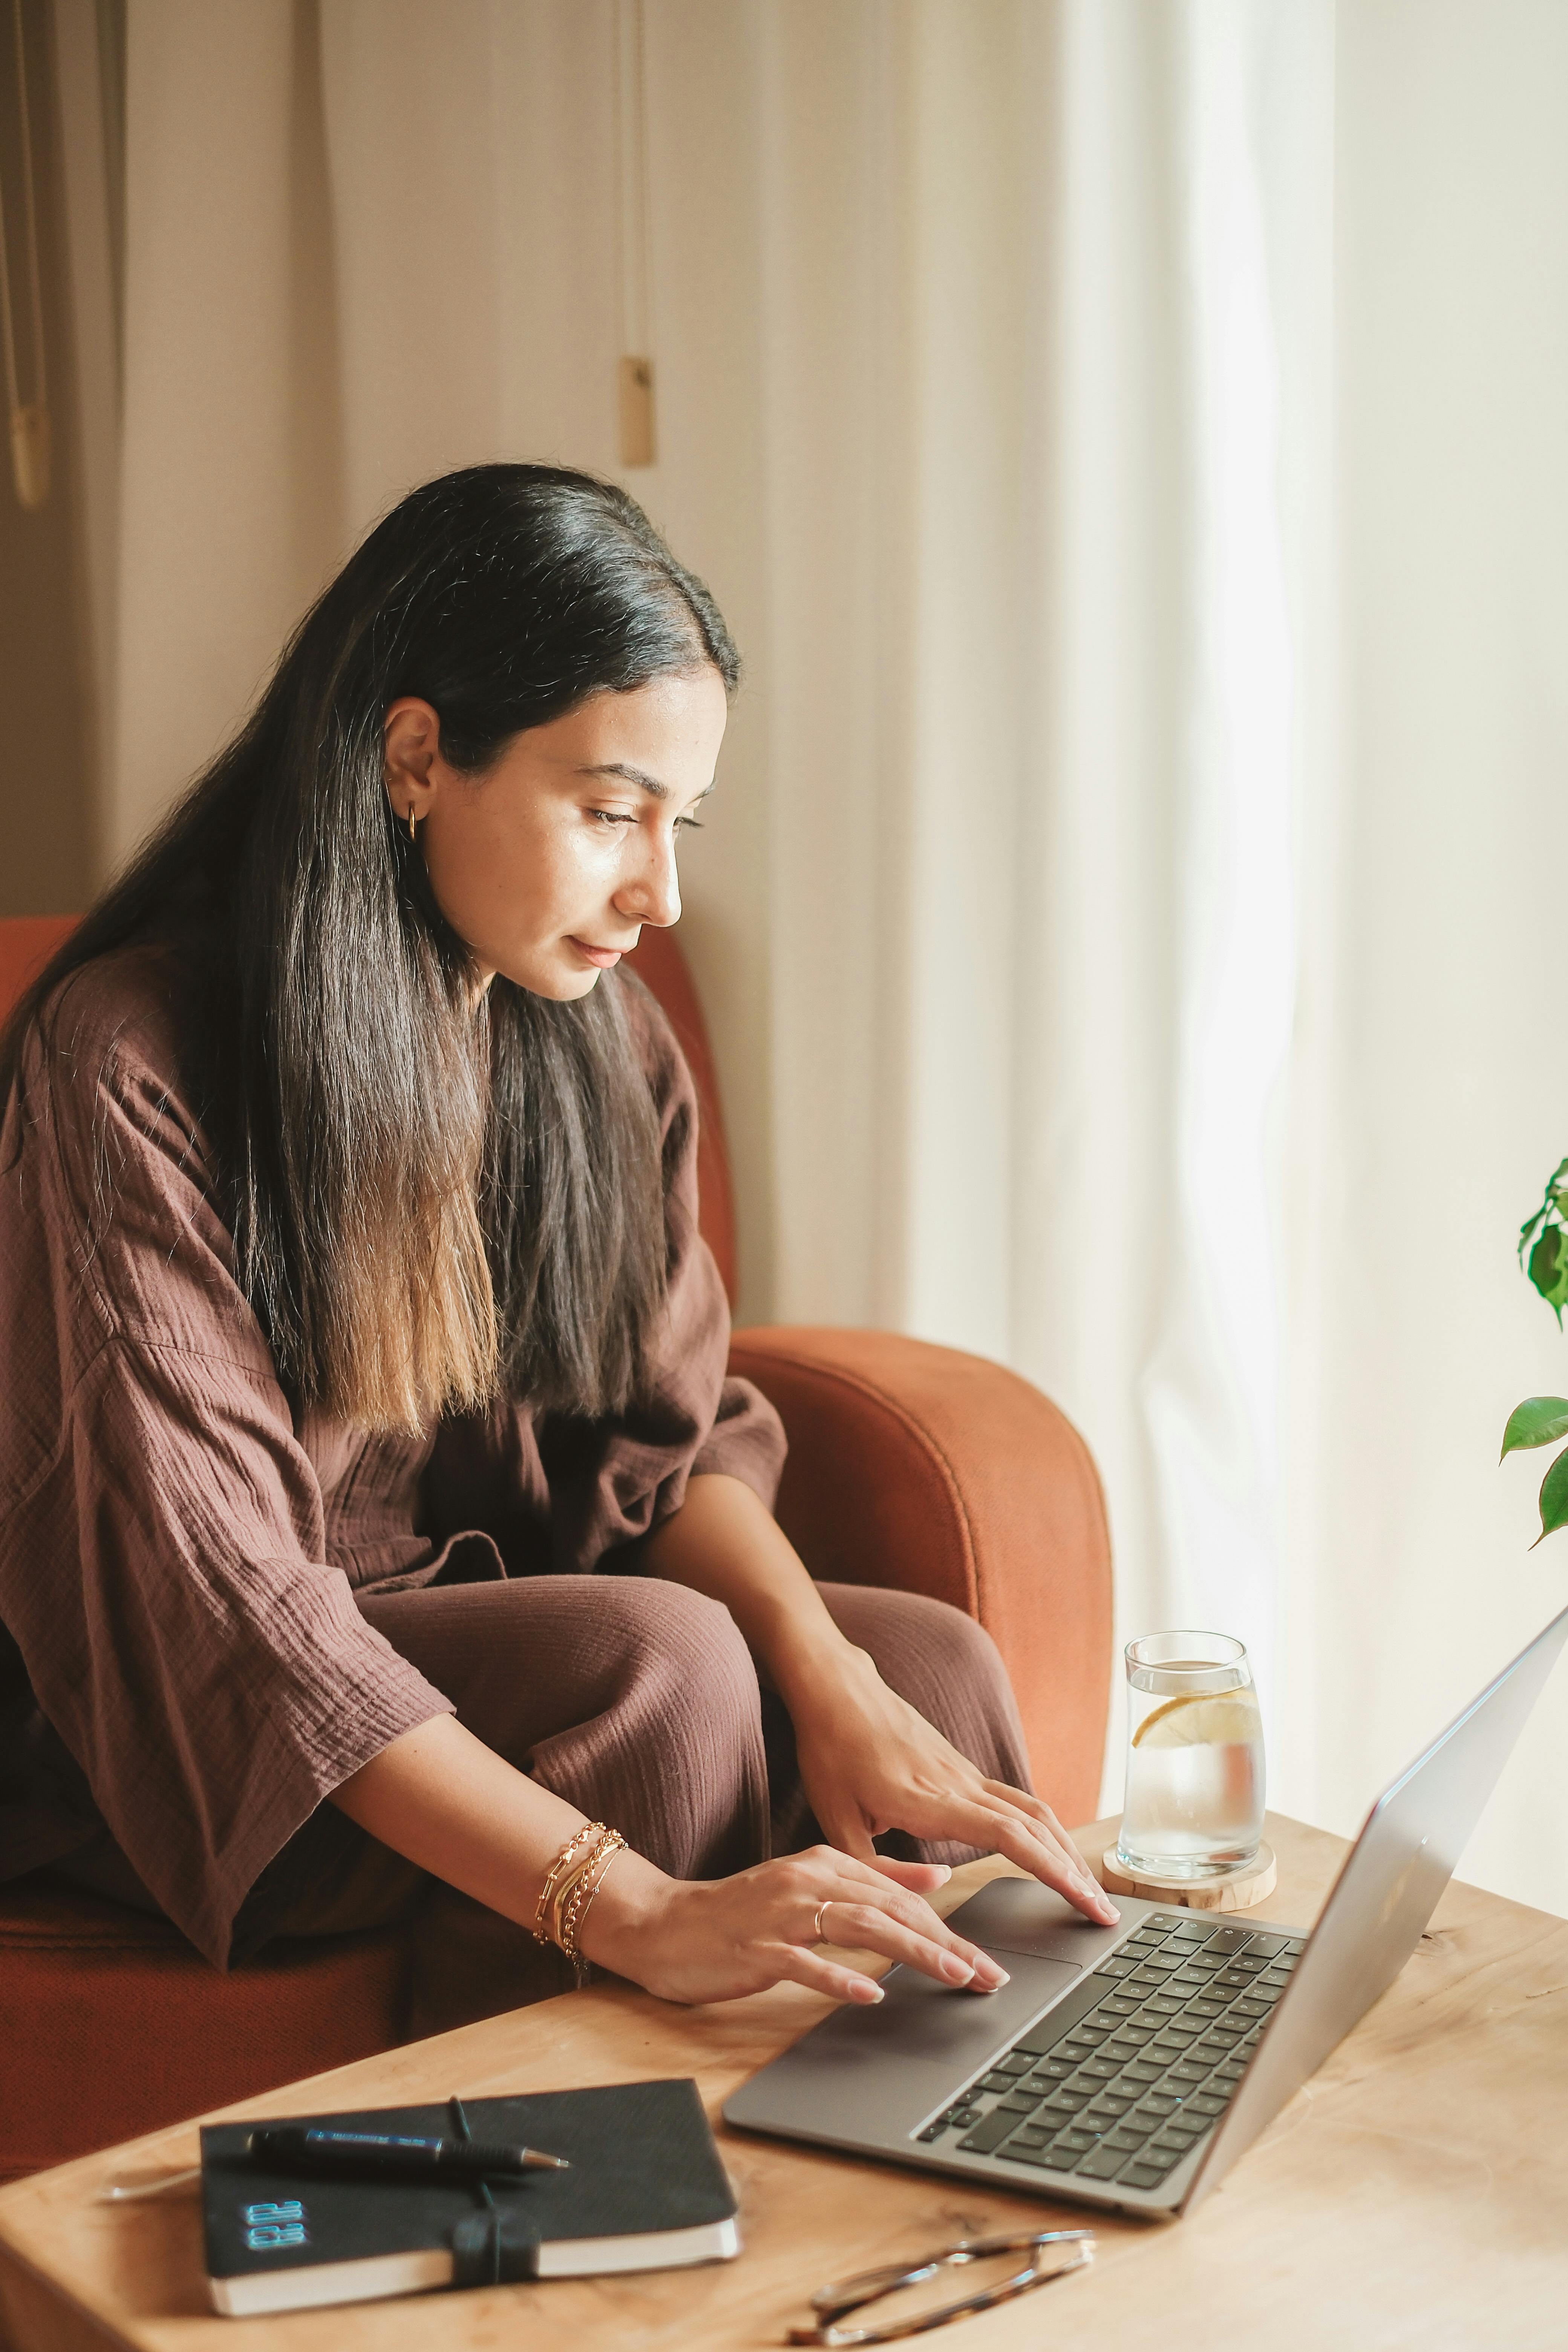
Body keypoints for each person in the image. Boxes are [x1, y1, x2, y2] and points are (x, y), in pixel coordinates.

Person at [0, 465, 1116, 2029]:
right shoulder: (127, 1063)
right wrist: (646, 1909)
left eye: (677, 822)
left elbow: (657, 1462)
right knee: (652, 1662)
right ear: (414, 759)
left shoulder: (602, 1043)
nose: (655, 891)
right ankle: (565, 2203)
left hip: (485, 1628)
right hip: (197, 1725)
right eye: (607, 811)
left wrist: (831, 1675)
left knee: (912, 1661)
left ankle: (968, 2138)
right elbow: (231, 1612)